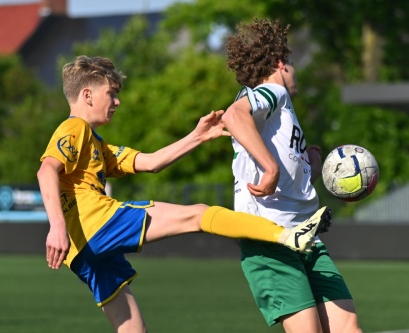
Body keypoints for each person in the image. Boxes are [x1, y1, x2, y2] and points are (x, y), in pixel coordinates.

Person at [36, 55, 331, 333]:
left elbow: (150, 163)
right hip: (95, 222)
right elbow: (46, 170)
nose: (117, 100)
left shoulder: (97, 146)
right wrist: (57, 228)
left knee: (133, 329)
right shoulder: (75, 127)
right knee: (198, 214)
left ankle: (287, 235)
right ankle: (287, 235)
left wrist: (197, 136)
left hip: (82, 250)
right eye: (111, 93)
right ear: (87, 95)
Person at [221, 18, 362, 332]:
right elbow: (234, 115)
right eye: (293, 64)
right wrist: (271, 168)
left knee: (347, 327)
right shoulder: (273, 92)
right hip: (270, 240)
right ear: (280, 64)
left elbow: (279, 170)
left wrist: (306, 165)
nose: (295, 71)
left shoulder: (278, 112)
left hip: (305, 237)